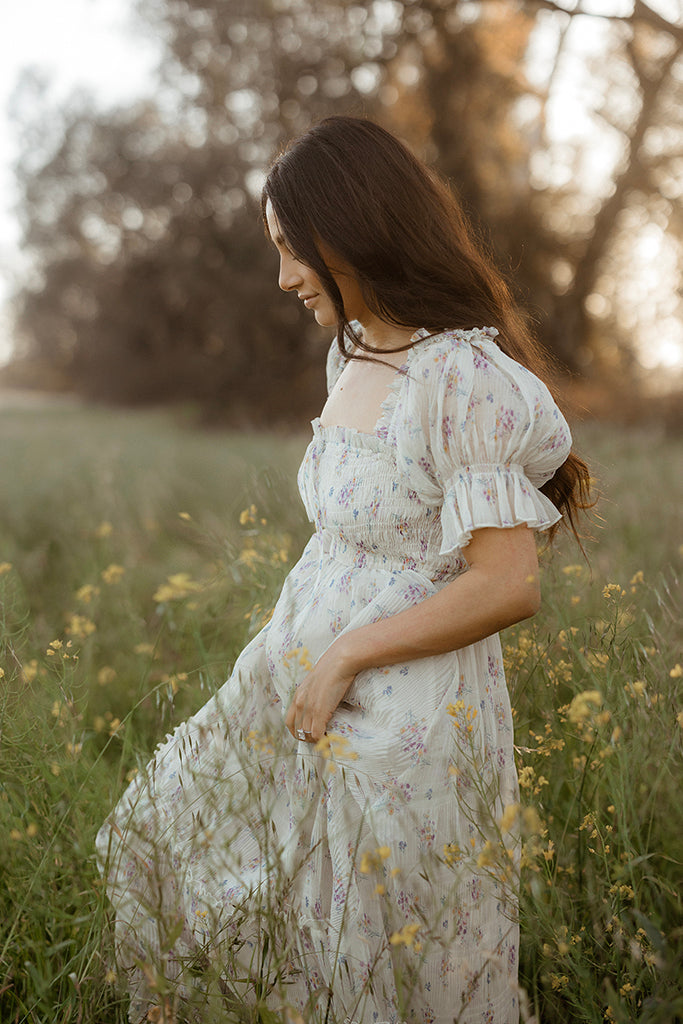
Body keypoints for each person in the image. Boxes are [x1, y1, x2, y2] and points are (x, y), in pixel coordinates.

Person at [97, 116, 591, 1024]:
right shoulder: (353, 353)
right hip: (297, 676)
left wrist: (347, 655)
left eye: (292, 252)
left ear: (350, 232)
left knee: (368, 957)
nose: (284, 278)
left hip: (401, 710)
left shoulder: (462, 380)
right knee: (154, 836)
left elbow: (505, 582)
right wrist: (296, 655)